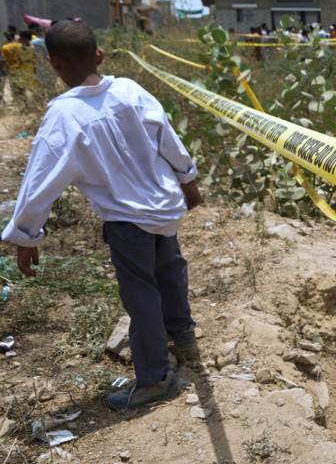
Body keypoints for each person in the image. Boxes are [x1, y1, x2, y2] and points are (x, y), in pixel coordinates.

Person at [1, 21, 200, 410]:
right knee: (170, 270)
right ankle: (183, 335)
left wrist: (26, 236)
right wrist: (188, 180)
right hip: (164, 207)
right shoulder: (129, 90)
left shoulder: (63, 117)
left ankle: (156, 379)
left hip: (127, 220)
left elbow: (40, 182)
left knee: (141, 294)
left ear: (53, 63)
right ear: (100, 55)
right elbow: (168, 138)